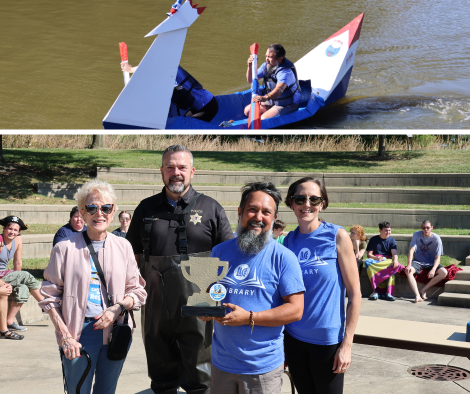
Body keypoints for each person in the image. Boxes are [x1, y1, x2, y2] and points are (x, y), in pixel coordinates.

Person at [126, 145, 234, 394]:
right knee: (161, 373)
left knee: (201, 375)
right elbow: (131, 255)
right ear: (162, 171)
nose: (176, 173)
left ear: (192, 171)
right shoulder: (145, 208)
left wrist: (220, 298)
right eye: (170, 167)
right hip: (155, 303)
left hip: (202, 302)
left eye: (182, 167)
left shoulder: (211, 208)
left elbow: (229, 256)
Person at [39, 180, 147, 394]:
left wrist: (117, 308)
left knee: (107, 391)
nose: (100, 214)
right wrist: (65, 335)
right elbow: (49, 297)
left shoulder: (123, 246)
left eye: (106, 208)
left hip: (116, 330)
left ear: (113, 210)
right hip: (78, 333)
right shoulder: (64, 249)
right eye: (92, 208)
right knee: (77, 390)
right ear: (82, 212)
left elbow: (138, 291)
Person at [200, 181, 305, 394]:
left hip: (261, 369)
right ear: (240, 212)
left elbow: (296, 309)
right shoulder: (219, 251)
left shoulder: (284, 258)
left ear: (274, 218)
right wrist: (206, 308)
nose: (258, 217)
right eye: (252, 210)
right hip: (221, 364)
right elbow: (210, 292)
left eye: (266, 212)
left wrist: (249, 317)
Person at [282, 177, 361, 394]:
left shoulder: (337, 236)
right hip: (294, 339)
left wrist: (346, 346)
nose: (307, 204)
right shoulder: (289, 240)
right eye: (300, 198)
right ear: (291, 203)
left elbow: (355, 295)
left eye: (314, 199)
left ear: (322, 203)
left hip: (328, 342)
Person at [121, 63, 219, 122]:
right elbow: (152, 66)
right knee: (182, 123)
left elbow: (152, 67)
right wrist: (131, 69)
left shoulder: (168, 76)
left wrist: (131, 69)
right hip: (201, 104)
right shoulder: (170, 64)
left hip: (207, 106)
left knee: (187, 130)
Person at [0, 215, 44, 332]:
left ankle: (9, 321)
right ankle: (45, 304)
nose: (12, 232)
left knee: (23, 287)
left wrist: (17, 280)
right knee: (26, 275)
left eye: (15, 230)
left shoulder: (18, 239)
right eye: (10, 229)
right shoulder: (0, 241)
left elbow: (18, 261)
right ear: (4, 228)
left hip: (7, 274)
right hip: (0, 276)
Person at [244, 43, 301, 120]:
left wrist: (266, 97)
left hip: (287, 104)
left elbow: (279, 89)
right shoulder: (266, 66)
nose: (266, 59)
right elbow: (250, 80)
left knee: (263, 119)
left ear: (280, 59)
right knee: (247, 111)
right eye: (266, 56)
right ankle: (271, 111)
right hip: (271, 101)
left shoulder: (285, 72)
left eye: (270, 57)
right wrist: (250, 66)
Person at [404, 220, 446, 303]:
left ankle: (423, 289)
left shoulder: (436, 238)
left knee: (444, 273)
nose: (425, 229)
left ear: (431, 228)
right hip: (418, 262)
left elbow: (438, 257)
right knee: (408, 271)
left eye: (427, 227)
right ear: (421, 228)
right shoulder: (416, 235)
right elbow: (411, 250)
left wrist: (433, 269)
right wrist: (409, 264)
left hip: (431, 262)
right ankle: (417, 295)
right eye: (423, 228)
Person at [365, 221, 402, 301]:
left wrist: (395, 260)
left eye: (389, 230)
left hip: (386, 261)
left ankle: (388, 293)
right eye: (386, 230)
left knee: (394, 265)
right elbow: (369, 254)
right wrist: (376, 258)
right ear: (380, 230)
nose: (388, 232)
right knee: (367, 262)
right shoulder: (373, 239)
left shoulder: (392, 240)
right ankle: (376, 291)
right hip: (376, 260)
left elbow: (394, 253)